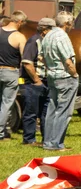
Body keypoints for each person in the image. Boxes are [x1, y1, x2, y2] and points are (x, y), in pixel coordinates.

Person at [41, 11, 79, 151]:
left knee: (52, 109)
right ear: (67, 23)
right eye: (71, 23)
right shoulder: (62, 36)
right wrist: (74, 74)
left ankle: (47, 142)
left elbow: (41, 57)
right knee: (64, 111)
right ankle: (56, 143)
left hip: (52, 76)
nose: (72, 26)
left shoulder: (48, 35)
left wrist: (50, 69)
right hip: (65, 77)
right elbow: (68, 60)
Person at [20, 18, 56, 146]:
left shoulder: (47, 41)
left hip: (46, 82)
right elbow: (27, 63)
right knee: (31, 112)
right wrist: (37, 81)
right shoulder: (33, 41)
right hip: (33, 83)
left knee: (45, 113)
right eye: (52, 29)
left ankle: (46, 139)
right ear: (45, 30)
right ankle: (29, 140)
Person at [0, 11, 27, 141]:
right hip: (10, 72)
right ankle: (0, 132)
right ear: (20, 22)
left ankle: (3, 130)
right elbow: (25, 58)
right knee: (7, 103)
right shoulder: (19, 37)